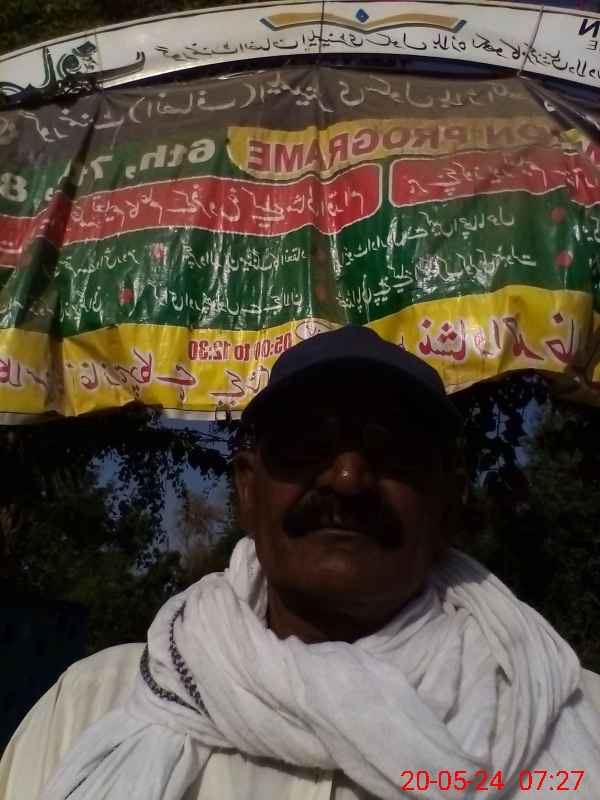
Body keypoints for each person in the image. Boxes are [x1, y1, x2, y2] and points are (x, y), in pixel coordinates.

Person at [1, 325, 599, 800]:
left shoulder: (568, 717)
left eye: (393, 449)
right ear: (247, 491)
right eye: (306, 445)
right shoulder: (88, 706)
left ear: (449, 501)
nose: (348, 478)